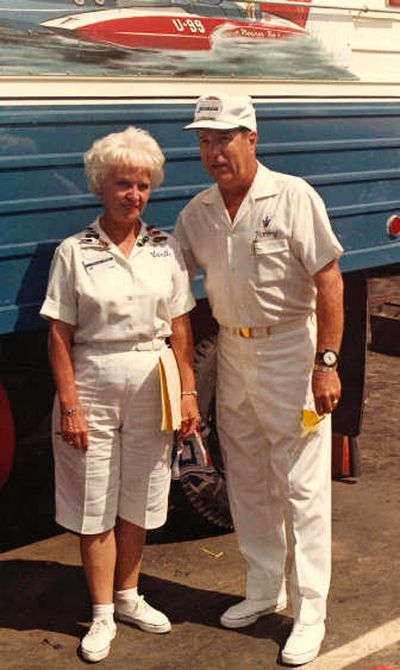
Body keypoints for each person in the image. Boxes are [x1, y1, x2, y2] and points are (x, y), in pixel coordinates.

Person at [174, 93, 344, 666]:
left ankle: (311, 609)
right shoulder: (198, 211)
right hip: (232, 354)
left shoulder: (292, 195)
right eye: (204, 140)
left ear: (252, 138)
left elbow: (329, 280)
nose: (213, 151)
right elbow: (169, 274)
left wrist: (327, 363)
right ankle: (264, 586)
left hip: (292, 354)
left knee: (300, 487)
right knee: (247, 479)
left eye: (224, 138)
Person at [40, 126, 199, 663]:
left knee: (142, 494)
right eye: (124, 184)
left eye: (143, 185)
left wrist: (189, 392)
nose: (134, 195)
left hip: (154, 377)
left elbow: (179, 326)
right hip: (94, 377)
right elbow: (59, 334)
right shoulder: (74, 252)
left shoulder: (164, 247)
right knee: (94, 502)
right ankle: (102, 612)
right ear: (101, 187)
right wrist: (70, 404)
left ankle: (130, 597)